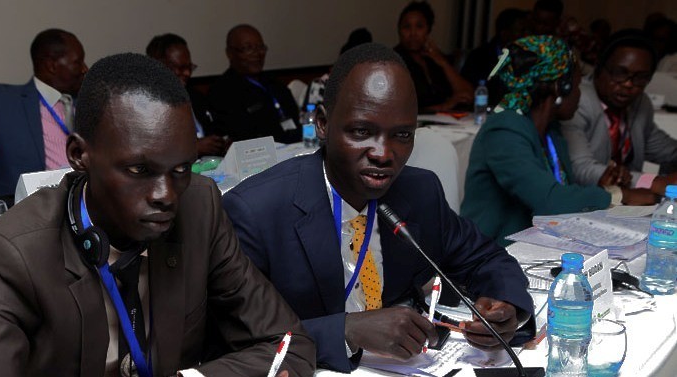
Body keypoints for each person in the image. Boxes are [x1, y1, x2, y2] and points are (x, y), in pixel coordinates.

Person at [0, 53, 315, 377]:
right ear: (80, 155)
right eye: (140, 169)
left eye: (182, 168)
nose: (166, 195)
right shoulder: (10, 254)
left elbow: (289, 345)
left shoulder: (199, 206)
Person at [222, 43, 534, 372]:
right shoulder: (256, 211)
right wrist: (347, 329)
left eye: (401, 134)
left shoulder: (419, 190)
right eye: (362, 131)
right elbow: (239, 338)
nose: (384, 154)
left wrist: (505, 304)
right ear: (323, 124)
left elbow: (485, 258)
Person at [461, 36, 657, 246]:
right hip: (492, 252)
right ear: (559, 88)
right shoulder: (504, 129)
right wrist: (618, 195)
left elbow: (562, 191)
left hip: (540, 241)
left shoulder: (551, 131)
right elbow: (549, 199)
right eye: (577, 86)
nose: (580, 94)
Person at [0, 28, 88, 207]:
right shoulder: (4, 102)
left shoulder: (88, 101)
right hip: (27, 210)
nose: (85, 69)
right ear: (51, 65)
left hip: (84, 203)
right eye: (78, 62)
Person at [561, 30, 677, 196]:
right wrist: (654, 182)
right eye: (620, 73)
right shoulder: (576, 101)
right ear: (599, 66)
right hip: (585, 202)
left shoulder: (640, 103)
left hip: (627, 206)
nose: (629, 84)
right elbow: (581, 168)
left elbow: (664, 149)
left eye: (640, 77)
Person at [207, 24, 301, 144]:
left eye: (260, 47)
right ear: (230, 53)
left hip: (295, 147)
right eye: (248, 48)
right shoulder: (221, 91)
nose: (257, 54)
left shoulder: (274, 83)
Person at [146, 33, 229, 156]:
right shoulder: (145, 105)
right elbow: (149, 152)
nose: (187, 73)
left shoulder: (195, 96)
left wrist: (223, 143)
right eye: (180, 68)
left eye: (189, 67)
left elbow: (217, 129)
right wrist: (194, 148)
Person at [394, 1, 474, 112]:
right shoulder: (393, 61)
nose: (413, 33)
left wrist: (443, 64)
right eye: (406, 27)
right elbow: (396, 109)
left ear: (428, 30)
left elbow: (469, 94)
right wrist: (443, 106)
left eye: (419, 26)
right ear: (399, 31)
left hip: (446, 123)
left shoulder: (433, 59)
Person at [461, 8, 528, 107]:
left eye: (528, 31)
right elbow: (469, 94)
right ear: (505, 34)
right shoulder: (480, 58)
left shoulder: (530, 57)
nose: (526, 36)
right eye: (521, 31)